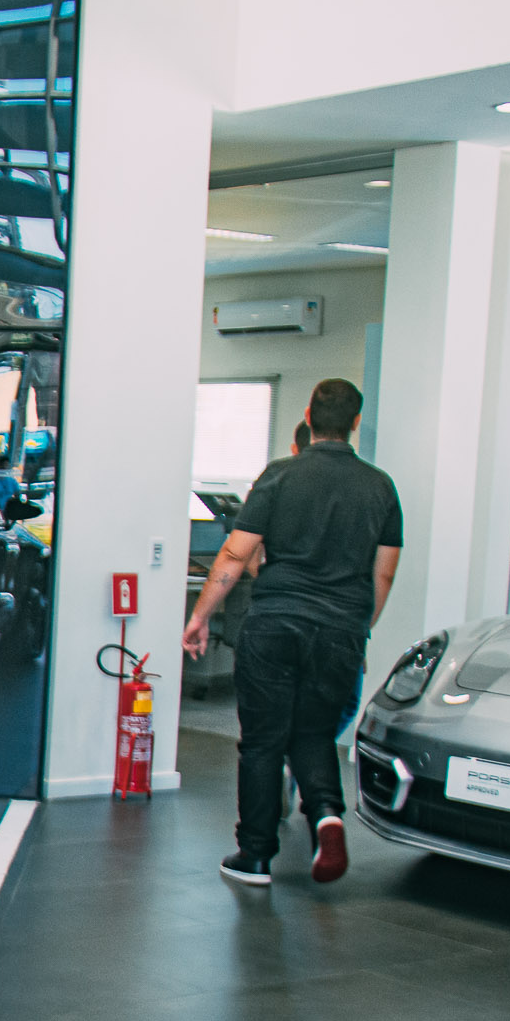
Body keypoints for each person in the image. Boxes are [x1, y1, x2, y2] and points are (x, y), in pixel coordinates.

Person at [184, 378, 400, 886]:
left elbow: (236, 554)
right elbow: (384, 573)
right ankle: (326, 814)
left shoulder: (279, 476)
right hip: (341, 627)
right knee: (313, 730)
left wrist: (201, 616)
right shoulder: (380, 486)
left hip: (276, 621)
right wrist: (358, 628)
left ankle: (255, 855)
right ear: (356, 421)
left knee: (262, 741)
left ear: (308, 414)